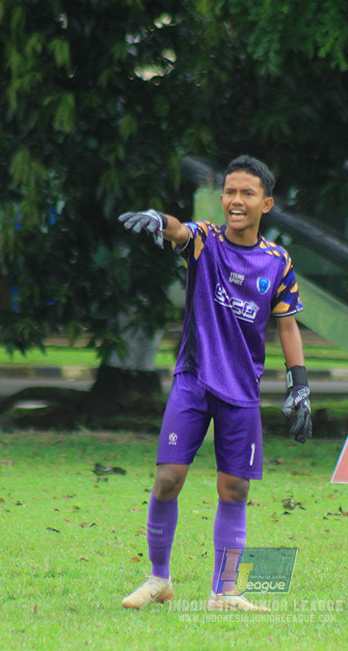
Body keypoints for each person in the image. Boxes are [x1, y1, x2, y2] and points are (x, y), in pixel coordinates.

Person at [116, 155, 312, 612]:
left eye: (246, 193)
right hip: (194, 380)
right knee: (168, 478)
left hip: (242, 390)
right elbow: (178, 230)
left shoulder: (278, 262)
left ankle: (225, 592)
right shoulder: (206, 242)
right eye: (229, 192)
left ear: (267, 203)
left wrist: (298, 386)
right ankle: (159, 579)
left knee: (234, 490)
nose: (235, 201)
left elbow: (287, 326)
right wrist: (157, 218)